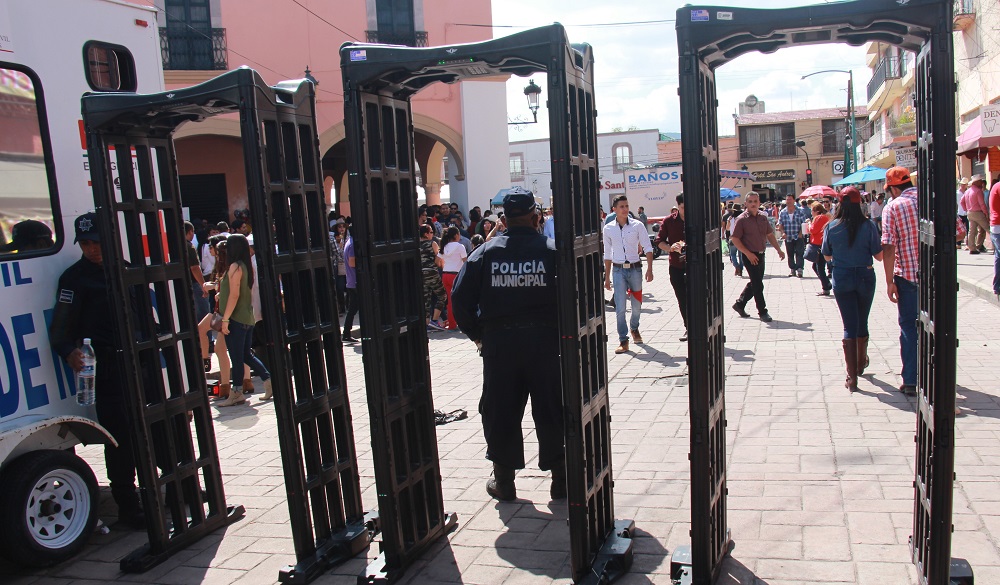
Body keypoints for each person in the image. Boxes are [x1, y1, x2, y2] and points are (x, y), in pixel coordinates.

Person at [449, 187, 564, 502]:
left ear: (503, 219)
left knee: (501, 410)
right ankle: (561, 479)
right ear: (534, 216)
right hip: (546, 343)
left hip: (501, 345)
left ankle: (504, 480)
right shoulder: (553, 251)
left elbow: (459, 299)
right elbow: (578, 295)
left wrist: (477, 335)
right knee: (553, 407)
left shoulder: (485, 253)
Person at [49, 213, 145, 528]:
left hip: (140, 364)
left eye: (97, 242)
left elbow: (146, 316)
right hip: (107, 369)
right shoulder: (74, 278)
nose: (92, 249)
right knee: (120, 442)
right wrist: (69, 352)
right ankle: (129, 508)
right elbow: (60, 330)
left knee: (155, 431)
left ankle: (173, 490)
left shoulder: (127, 269)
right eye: (86, 244)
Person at [821, 187, 883, 392]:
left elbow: (826, 255)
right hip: (865, 275)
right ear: (859, 204)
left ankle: (851, 376)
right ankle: (860, 363)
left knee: (849, 324)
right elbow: (878, 255)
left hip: (842, 275)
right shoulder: (869, 226)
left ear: (839, 203)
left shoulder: (832, 227)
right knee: (862, 319)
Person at [216, 234, 271, 406]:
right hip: (247, 316)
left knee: (237, 357)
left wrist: (225, 320)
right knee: (246, 354)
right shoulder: (246, 266)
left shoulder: (235, 267)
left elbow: (234, 295)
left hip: (236, 318)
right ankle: (268, 381)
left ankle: (237, 392)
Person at [880, 166, 919, 395]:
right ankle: (937, 376)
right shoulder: (932, 200)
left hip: (907, 276)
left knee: (909, 328)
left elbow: (889, 246)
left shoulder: (893, 207)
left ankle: (912, 380)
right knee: (937, 327)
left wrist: (888, 281)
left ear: (894, 188)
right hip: (935, 277)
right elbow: (960, 232)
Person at [603, 194, 655, 354]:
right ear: (614, 209)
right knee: (620, 306)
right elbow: (607, 254)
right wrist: (606, 278)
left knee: (637, 305)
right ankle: (623, 340)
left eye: (626, 206)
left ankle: (634, 327)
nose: (625, 209)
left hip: (635, 269)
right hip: (618, 270)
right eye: (621, 207)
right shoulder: (608, 228)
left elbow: (647, 246)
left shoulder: (637, 226)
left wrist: (650, 269)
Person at [731, 191, 786, 322]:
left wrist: (779, 250)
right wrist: (748, 254)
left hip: (761, 254)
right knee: (758, 285)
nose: (753, 204)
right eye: (750, 202)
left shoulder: (762, 217)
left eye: (755, 201)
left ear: (759, 203)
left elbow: (770, 235)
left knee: (756, 282)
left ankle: (739, 304)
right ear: (745, 204)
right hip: (749, 255)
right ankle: (763, 311)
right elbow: (735, 239)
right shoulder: (741, 219)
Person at [654, 194, 688, 341]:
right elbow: (659, 241)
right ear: (678, 206)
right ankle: (689, 327)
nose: (686, 211)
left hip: (696, 265)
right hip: (676, 265)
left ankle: (702, 324)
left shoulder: (699, 217)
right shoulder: (669, 221)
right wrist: (671, 248)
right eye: (682, 208)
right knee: (682, 298)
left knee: (700, 297)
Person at [420, 224, 448, 330]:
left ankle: (427, 324)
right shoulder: (432, 243)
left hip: (421, 274)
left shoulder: (416, 244)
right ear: (426, 234)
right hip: (431, 272)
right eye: (431, 232)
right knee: (442, 295)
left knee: (426, 299)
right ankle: (435, 320)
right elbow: (438, 258)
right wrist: (441, 266)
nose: (433, 234)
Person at [440, 226, 467, 329]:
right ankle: (461, 322)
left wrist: (444, 265)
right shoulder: (460, 247)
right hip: (456, 275)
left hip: (445, 274)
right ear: (456, 235)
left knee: (450, 301)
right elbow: (465, 262)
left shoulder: (444, 246)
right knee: (460, 300)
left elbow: (437, 260)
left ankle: (452, 324)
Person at [777, 195, 809, 277]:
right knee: (790, 254)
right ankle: (792, 269)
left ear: (794, 200)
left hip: (798, 235)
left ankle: (799, 269)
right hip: (788, 236)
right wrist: (783, 232)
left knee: (799, 253)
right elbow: (780, 224)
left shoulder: (800, 211)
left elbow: (804, 223)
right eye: (787, 200)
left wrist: (801, 234)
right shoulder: (783, 212)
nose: (788, 201)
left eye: (790, 199)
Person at [808, 202, 833, 296]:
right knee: (817, 266)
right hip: (823, 244)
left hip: (819, 244)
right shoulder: (826, 217)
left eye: (812, 210)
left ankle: (826, 286)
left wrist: (810, 224)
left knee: (819, 267)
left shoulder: (820, 218)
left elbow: (813, 230)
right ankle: (826, 284)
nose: (811, 213)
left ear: (817, 211)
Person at [962, 174, 989, 254]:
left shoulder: (967, 191)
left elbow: (961, 201)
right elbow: (982, 204)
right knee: (988, 228)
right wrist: (986, 213)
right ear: (977, 182)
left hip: (970, 213)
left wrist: (966, 209)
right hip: (978, 213)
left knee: (972, 231)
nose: (982, 183)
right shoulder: (978, 191)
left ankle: (972, 248)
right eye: (980, 181)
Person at [342, 230, 360, 343]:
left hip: (351, 281)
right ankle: (346, 333)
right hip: (355, 281)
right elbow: (352, 262)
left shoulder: (349, 241)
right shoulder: (353, 244)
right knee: (354, 308)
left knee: (352, 309)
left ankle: (346, 333)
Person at [726, 204, 744, 277]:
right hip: (741, 239)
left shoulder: (730, 218)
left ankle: (736, 266)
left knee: (733, 254)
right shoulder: (743, 218)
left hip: (733, 238)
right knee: (741, 255)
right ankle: (741, 269)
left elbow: (727, 228)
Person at [989, 176, 1000, 297]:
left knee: (998, 256)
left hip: (995, 225)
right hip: (999, 224)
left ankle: (997, 286)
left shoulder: (995, 187)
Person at [957, 177, 970, 244]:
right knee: (960, 229)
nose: (963, 185)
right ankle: (958, 243)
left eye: (964, 184)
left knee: (968, 229)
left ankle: (968, 243)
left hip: (967, 212)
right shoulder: (957, 193)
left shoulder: (967, 192)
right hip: (960, 212)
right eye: (962, 184)